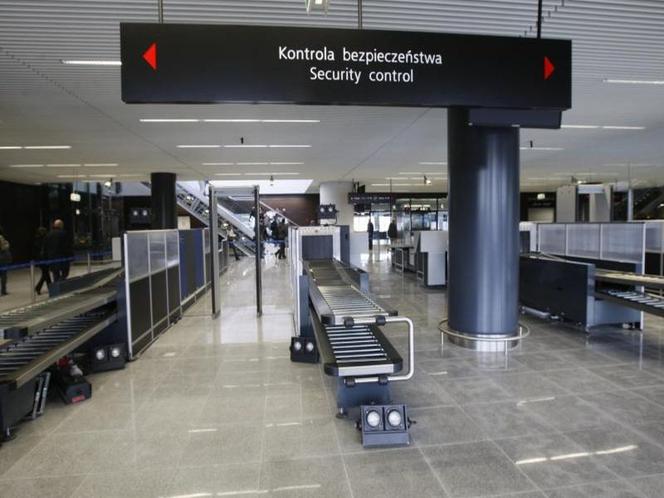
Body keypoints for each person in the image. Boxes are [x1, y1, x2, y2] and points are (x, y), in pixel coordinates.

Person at [33, 226, 52, 295]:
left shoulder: (37, 240)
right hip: (44, 259)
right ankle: (48, 288)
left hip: (40, 259)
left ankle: (40, 287)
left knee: (45, 274)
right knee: (46, 274)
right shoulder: (44, 239)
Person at [0, 226, 11, 296]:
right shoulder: (0, 237)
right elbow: (4, 247)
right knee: (3, 275)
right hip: (2, 259)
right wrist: (7, 244)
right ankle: (3, 290)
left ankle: (3, 290)